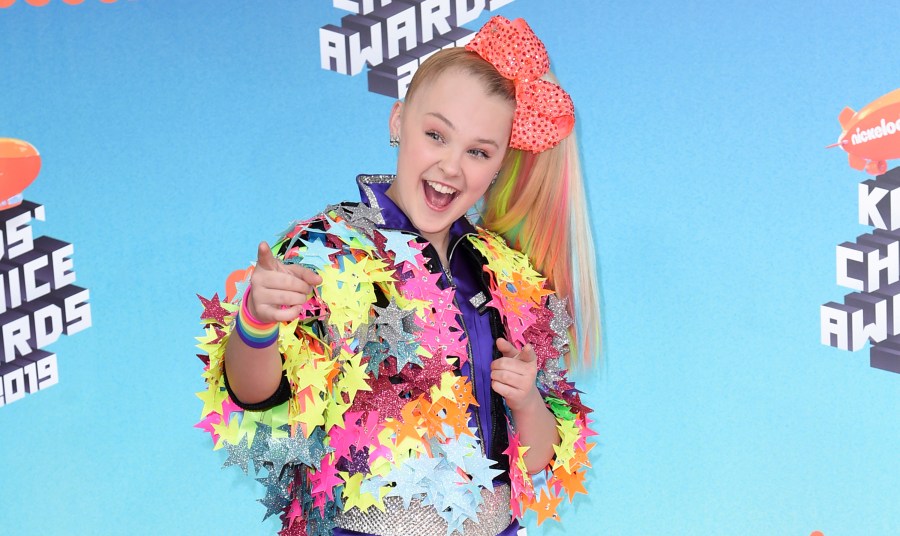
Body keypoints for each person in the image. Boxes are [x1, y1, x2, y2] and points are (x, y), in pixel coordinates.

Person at [195, 15, 600, 536]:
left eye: (478, 151)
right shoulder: (328, 248)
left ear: (499, 163)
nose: (452, 166)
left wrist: (525, 399)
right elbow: (254, 395)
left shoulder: (509, 277)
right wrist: (256, 321)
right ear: (396, 121)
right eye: (436, 135)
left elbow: (541, 461)